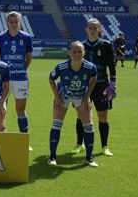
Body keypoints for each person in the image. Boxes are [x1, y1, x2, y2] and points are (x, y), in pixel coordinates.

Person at [48, 41, 98, 167]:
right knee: (56, 124)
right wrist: (57, 97)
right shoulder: (61, 67)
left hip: (80, 96)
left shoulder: (90, 67)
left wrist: (87, 96)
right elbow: (51, 79)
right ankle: (52, 157)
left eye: (80, 51)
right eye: (74, 51)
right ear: (69, 52)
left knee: (88, 125)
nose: (77, 54)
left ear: (84, 52)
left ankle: (89, 157)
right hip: (63, 96)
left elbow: (94, 77)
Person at [72, 18, 116, 157]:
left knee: (102, 115)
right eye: (90, 27)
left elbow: (111, 65)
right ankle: (79, 144)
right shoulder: (82, 46)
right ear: (86, 29)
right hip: (84, 85)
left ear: (99, 29)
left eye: (95, 28)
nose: (92, 30)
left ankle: (104, 146)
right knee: (81, 115)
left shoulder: (106, 45)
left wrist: (113, 83)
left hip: (102, 84)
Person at [0, 11, 33, 150]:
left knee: (20, 109)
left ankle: (24, 141)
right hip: (4, 80)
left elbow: (28, 57)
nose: (13, 24)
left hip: (21, 78)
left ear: (20, 22)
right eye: (11, 21)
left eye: (16, 21)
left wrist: (21, 69)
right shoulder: (0, 37)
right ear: (7, 23)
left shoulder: (26, 37)